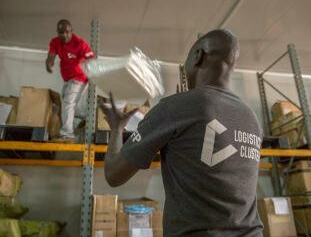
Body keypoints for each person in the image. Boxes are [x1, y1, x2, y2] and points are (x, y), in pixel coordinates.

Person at [100, 30, 263, 236]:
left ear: (198, 56)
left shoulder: (176, 107)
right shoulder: (250, 117)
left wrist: (117, 128)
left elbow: (114, 175)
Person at [46, 19, 94, 141]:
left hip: (80, 78)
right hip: (67, 79)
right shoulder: (55, 42)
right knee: (68, 102)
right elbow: (51, 55)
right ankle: (88, 116)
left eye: (67, 32)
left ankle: (67, 134)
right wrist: (49, 62)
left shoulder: (80, 43)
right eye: (61, 32)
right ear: (58, 32)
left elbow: (92, 59)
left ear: (72, 31)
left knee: (68, 103)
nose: (65, 35)